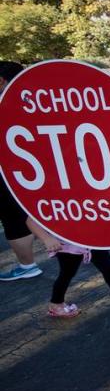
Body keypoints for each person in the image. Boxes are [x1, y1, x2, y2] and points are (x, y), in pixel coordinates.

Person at [26, 218, 110, 317]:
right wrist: (47, 238)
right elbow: (30, 220)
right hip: (68, 245)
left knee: (108, 267)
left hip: (92, 240)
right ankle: (56, 303)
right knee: (67, 273)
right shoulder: (52, 200)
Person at [0, 61, 42, 282]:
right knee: (21, 214)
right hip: (31, 172)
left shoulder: (5, 104)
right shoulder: (31, 101)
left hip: (9, 171)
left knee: (13, 218)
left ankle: (27, 264)